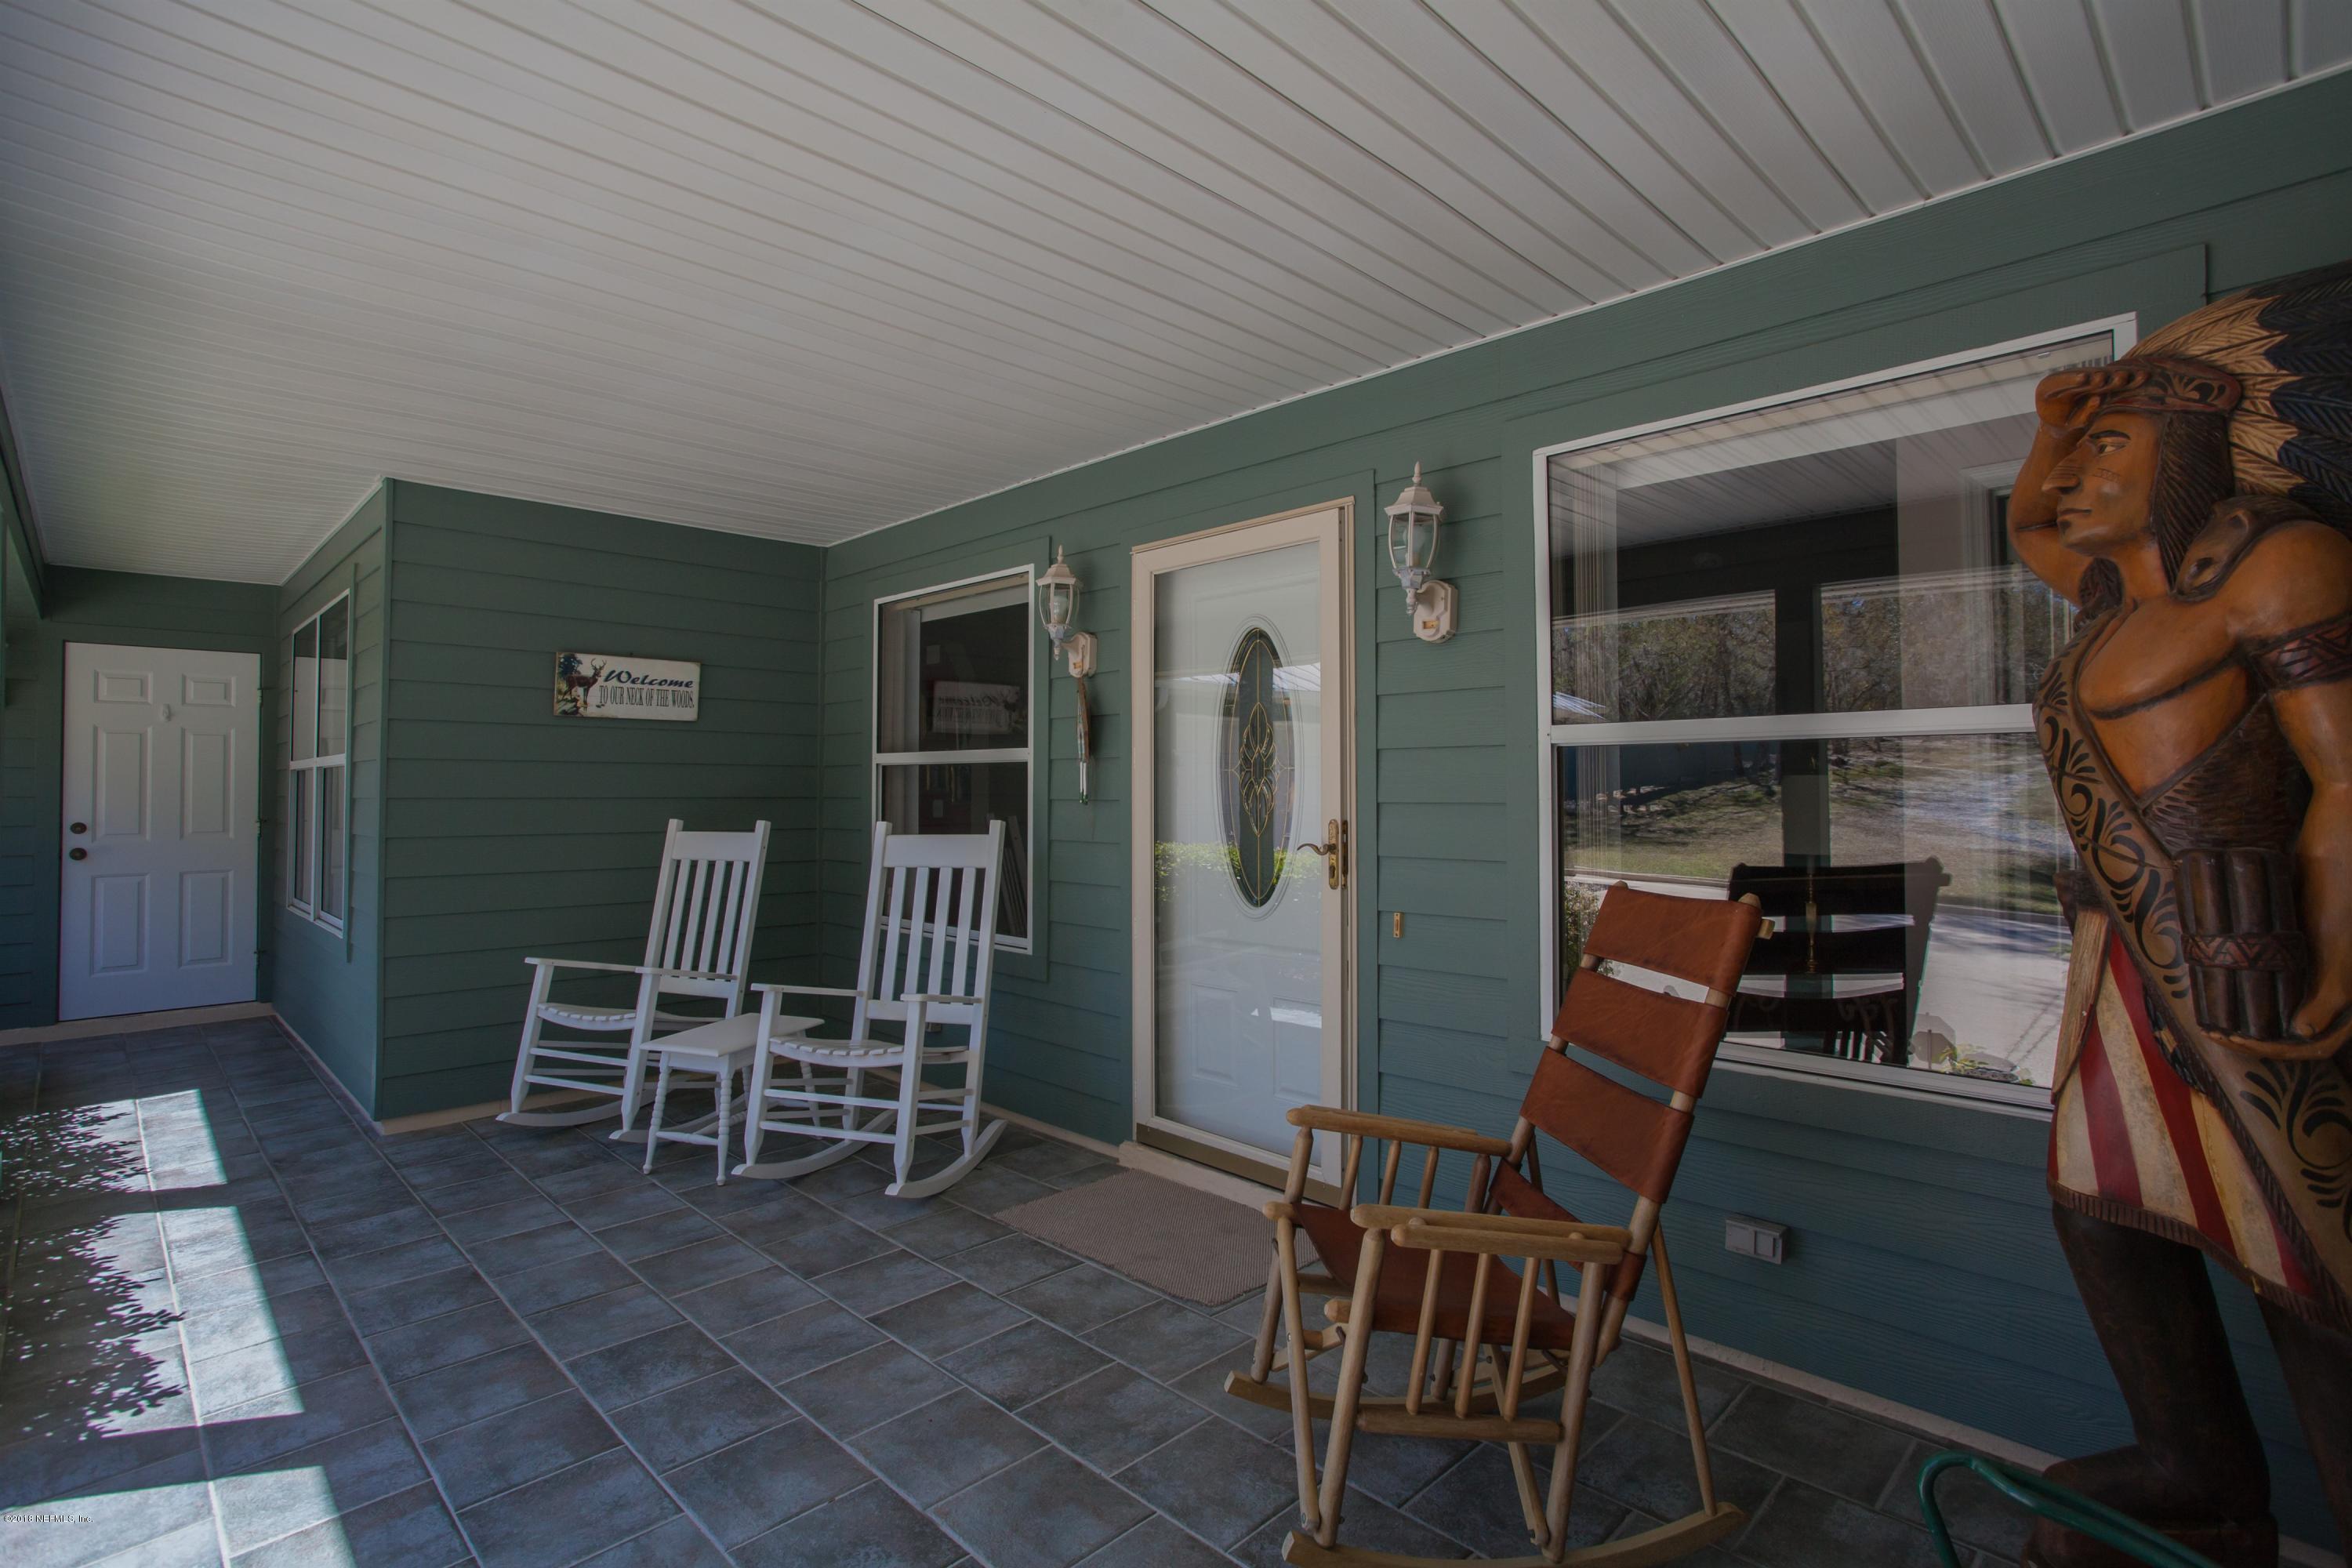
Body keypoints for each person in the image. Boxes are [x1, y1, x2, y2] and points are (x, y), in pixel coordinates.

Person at [2005, 261, 2352, 1566]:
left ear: (2197, 450)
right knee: (2101, 1210)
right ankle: (2194, 1466)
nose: (2074, 475)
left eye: (2111, 443)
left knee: (2300, 1255)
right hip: (2124, 957)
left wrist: (2332, 971)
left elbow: (2349, 778)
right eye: (2078, 449)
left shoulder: (2277, 565)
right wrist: (2056, 420)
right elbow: (2029, 527)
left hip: (2248, 954)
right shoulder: (2115, 600)